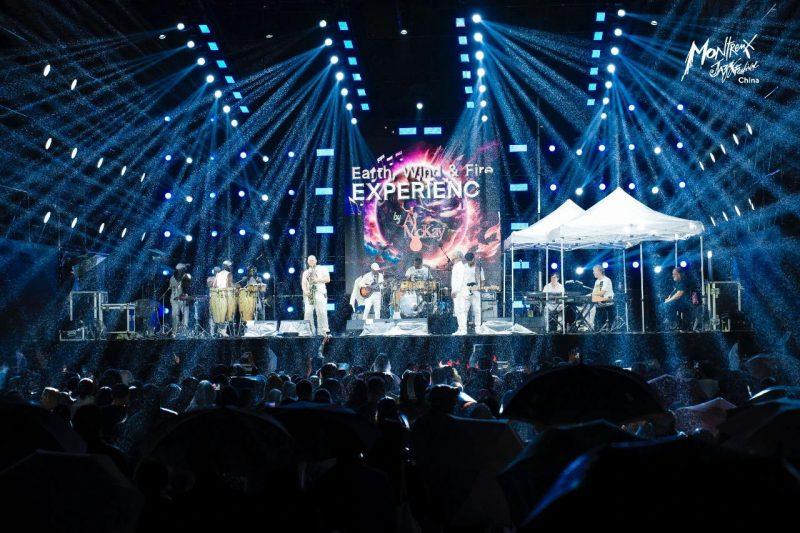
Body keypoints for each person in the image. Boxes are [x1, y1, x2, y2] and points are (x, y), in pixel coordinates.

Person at [451, 252, 484, 335]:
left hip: (475, 291)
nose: (469, 262)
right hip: (465, 292)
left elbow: (482, 280)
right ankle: (463, 329)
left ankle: (478, 328)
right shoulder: (463, 267)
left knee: (477, 310)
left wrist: (479, 288)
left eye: (470, 260)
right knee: (464, 310)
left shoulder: (478, 268)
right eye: (467, 260)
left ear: (474, 259)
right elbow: (460, 280)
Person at [302, 255, 330, 336]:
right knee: (308, 313)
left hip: (320, 293)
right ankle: (310, 331)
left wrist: (317, 280)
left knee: (322, 312)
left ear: (316, 260)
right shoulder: (306, 272)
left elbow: (328, 279)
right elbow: (303, 284)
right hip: (309, 294)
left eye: (312, 260)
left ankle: (324, 332)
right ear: (307, 262)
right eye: (309, 260)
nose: (311, 261)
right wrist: (306, 291)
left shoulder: (322, 268)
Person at [583, 265, 614, 330]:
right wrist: (586, 296)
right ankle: (588, 324)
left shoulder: (606, 280)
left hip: (607, 299)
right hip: (598, 299)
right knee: (584, 304)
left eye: (594, 271)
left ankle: (591, 325)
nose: (593, 273)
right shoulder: (597, 281)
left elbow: (602, 293)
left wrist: (591, 296)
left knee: (591, 303)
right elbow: (595, 293)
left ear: (599, 271)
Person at [169, 263, 191, 336]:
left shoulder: (186, 277)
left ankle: (184, 331)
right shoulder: (172, 278)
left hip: (183, 298)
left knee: (186, 313)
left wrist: (186, 297)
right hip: (175, 298)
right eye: (182, 269)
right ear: (178, 270)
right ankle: (175, 332)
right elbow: (174, 288)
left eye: (183, 269)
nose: (183, 271)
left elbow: (188, 286)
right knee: (175, 315)